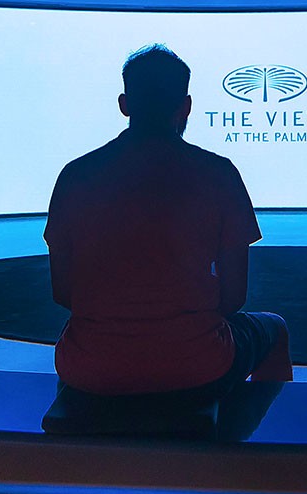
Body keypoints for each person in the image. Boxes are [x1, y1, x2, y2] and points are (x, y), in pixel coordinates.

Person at [44, 44, 292, 402]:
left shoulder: (76, 175)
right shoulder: (218, 173)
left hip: (87, 365)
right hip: (198, 363)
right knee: (275, 330)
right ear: (186, 106)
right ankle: (255, 446)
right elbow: (234, 297)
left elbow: (62, 291)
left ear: (124, 104)